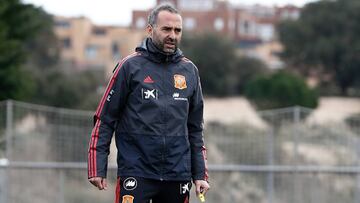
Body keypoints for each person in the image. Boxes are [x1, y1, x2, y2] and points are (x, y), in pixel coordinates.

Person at [87, 3, 210, 203]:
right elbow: (105, 119)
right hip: (136, 172)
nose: (173, 35)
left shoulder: (190, 71)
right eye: (166, 29)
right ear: (150, 30)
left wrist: (200, 174)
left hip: (177, 174)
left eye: (177, 30)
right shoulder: (129, 67)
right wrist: (96, 167)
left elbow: (195, 129)